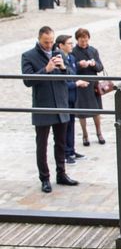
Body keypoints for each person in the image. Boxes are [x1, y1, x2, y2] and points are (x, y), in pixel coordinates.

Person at [21, 26, 79, 193]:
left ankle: (61, 173)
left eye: (51, 42)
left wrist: (62, 67)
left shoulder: (58, 54)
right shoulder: (28, 56)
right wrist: (45, 70)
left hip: (61, 104)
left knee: (61, 143)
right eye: (46, 42)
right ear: (39, 39)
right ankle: (44, 178)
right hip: (43, 105)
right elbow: (27, 80)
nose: (49, 45)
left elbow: (70, 74)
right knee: (42, 144)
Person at [56, 34, 89, 164]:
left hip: (73, 96)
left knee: (71, 125)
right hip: (64, 97)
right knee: (64, 127)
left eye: (71, 43)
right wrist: (76, 83)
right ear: (61, 45)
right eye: (69, 43)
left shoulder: (71, 58)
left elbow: (73, 75)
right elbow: (61, 82)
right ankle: (65, 152)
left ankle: (71, 149)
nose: (72, 46)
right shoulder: (58, 60)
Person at [71, 28, 106, 146]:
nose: (84, 43)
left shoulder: (93, 50)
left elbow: (100, 67)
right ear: (77, 40)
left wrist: (94, 64)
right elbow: (70, 68)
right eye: (82, 41)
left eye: (86, 40)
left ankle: (99, 132)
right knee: (82, 111)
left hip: (93, 82)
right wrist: (79, 65)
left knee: (96, 110)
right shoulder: (73, 52)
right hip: (80, 83)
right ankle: (85, 135)